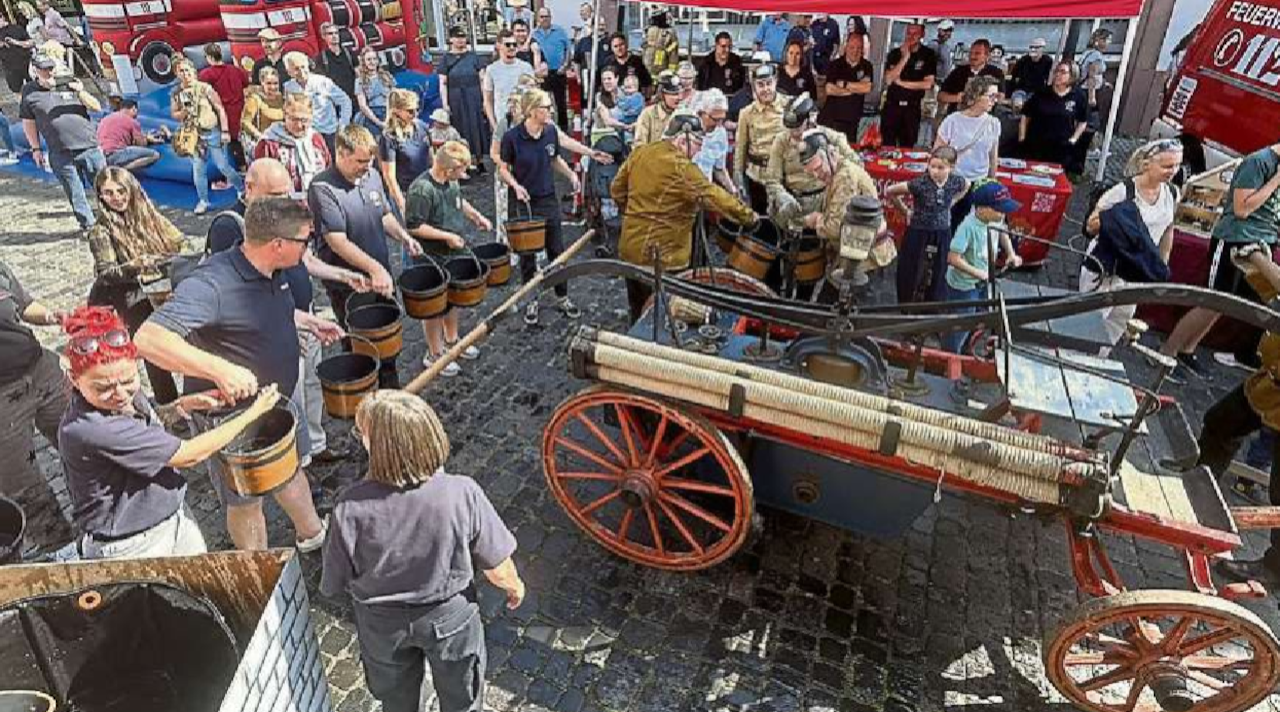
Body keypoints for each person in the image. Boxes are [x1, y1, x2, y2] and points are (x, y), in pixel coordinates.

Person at [134, 197, 339, 551]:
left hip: (276, 400)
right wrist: (220, 370)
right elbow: (148, 339)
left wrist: (306, 322)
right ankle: (258, 566)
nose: (308, 248)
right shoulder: (213, 284)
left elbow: (263, 311)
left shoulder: (273, 269)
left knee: (290, 469)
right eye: (304, 241)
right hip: (230, 417)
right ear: (278, 244)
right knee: (245, 499)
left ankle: (312, 534)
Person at [320, 390, 524, 712]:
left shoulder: (349, 506)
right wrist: (515, 587)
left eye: (363, 434)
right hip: (450, 617)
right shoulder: (462, 492)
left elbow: (333, 581)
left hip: (382, 625)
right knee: (462, 697)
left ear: (380, 447)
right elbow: (498, 568)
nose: (361, 440)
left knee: (396, 702)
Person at [58, 305, 278, 560]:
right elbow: (189, 454)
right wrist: (253, 413)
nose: (119, 394)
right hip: (131, 545)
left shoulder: (117, 398)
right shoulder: (90, 428)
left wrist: (182, 406)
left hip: (171, 517)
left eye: (128, 380)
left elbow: (145, 424)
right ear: (74, 379)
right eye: (103, 388)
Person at [208, 159, 369, 469]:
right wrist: (290, 321)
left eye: (286, 192)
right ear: (249, 188)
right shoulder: (230, 226)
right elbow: (242, 295)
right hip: (277, 327)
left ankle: (316, 445)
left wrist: (344, 275)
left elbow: (306, 259)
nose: (284, 200)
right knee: (291, 399)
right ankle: (298, 464)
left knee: (312, 385)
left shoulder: (283, 216)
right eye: (275, 194)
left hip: (304, 315)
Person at [613, 111, 756, 322]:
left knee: (638, 311)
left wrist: (635, 215)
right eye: (697, 145)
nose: (698, 152)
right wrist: (749, 217)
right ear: (682, 140)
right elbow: (715, 197)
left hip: (630, 249)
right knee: (663, 319)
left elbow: (617, 190)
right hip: (664, 258)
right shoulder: (682, 168)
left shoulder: (640, 153)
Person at [311, 125, 424, 387]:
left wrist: (404, 237)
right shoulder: (322, 188)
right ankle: (361, 398)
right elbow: (337, 241)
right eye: (361, 161)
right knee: (359, 347)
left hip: (380, 277)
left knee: (388, 341)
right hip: (349, 284)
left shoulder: (371, 176)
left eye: (370, 160)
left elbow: (383, 215)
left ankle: (390, 392)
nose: (367, 167)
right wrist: (375, 270)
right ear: (341, 153)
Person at [1158, 141, 1280, 379]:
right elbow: (1242, 209)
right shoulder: (1258, 163)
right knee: (1211, 301)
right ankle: (1167, 352)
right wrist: (1276, 181)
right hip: (1234, 240)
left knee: (1225, 304)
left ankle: (1187, 349)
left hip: (1262, 242)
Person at [85, 167, 187, 403]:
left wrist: (169, 251)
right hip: (120, 293)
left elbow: (178, 240)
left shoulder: (146, 213)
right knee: (149, 346)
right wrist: (136, 265)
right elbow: (106, 274)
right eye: (108, 193)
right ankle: (167, 402)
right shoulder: (100, 231)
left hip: (153, 286)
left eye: (121, 191)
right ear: (100, 196)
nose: (116, 198)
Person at [1079, 139, 1181, 348]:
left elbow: (1168, 230)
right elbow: (1090, 226)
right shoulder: (1122, 191)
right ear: (1147, 164)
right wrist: (1116, 219)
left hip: (1136, 269)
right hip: (1107, 268)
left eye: (1177, 165)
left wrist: (1160, 267)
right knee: (1090, 321)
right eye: (1166, 166)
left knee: (1118, 322)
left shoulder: (1172, 193)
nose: (1172, 171)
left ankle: (1100, 360)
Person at [0, 259, 72, 551]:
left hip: (42, 371)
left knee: (86, 444)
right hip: (3, 403)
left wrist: (51, 315)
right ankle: (60, 549)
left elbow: (25, 305)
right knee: (24, 487)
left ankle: (103, 518)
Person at [404, 141, 491, 376]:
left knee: (452, 299)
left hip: (452, 253)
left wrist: (476, 216)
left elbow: (458, 200)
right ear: (447, 169)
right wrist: (446, 236)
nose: (464, 175)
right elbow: (414, 226)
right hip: (432, 257)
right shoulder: (421, 190)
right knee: (433, 307)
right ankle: (434, 353)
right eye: (461, 170)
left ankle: (452, 341)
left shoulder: (450, 181)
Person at [499, 88, 580, 325]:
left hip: (547, 198)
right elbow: (503, 169)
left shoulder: (550, 132)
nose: (551, 111)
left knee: (557, 250)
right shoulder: (512, 137)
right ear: (533, 110)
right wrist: (516, 186)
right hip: (524, 202)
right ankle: (531, 299)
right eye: (546, 107)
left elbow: (554, 159)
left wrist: (570, 175)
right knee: (528, 255)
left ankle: (562, 296)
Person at [21, 51, 104, 231]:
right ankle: (89, 226)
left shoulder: (68, 83)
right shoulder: (29, 92)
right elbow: (28, 122)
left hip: (88, 145)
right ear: (35, 71)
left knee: (104, 186)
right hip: (60, 151)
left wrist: (80, 91)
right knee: (75, 192)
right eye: (44, 69)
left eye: (51, 68)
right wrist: (35, 148)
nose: (49, 72)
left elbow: (96, 107)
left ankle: (114, 218)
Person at [942, 181, 1022, 353]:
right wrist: (978, 273)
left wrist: (1011, 253)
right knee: (960, 324)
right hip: (964, 286)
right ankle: (948, 356)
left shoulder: (996, 220)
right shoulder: (967, 227)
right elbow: (953, 258)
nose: (1003, 214)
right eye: (999, 210)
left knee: (979, 319)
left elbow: (1002, 231)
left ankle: (966, 350)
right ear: (982, 209)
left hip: (982, 281)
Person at [885, 145, 968, 303]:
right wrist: (906, 211)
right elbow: (891, 191)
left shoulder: (955, 181)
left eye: (941, 168)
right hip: (919, 229)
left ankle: (934, 303)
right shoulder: (920, 183)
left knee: (940, 269)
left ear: (951, 168)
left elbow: (967, 185)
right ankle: (905, 302)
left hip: (942, 230)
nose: (935, 171)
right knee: (910, 268)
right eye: (932, 166)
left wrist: (952, 202)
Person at [765, 93, 859, 224]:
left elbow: (856, 166)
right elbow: (772, 179)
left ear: (811, 120)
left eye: (798, 127)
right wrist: (782, 196)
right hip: (794, 203)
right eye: (790, 128)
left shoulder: (831, 138)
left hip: (824, 203)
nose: (793, 133)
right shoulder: (781, 141)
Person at [171, 57, 244, 215]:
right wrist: (183, 112)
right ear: (177, 74)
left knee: (222, 165)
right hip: (195, 135)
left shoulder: (205, 88)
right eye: (181, 71)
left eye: (187, 70)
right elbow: (174, 113)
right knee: (198, 169)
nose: (185, 74)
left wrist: (225, 130)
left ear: (193, 71)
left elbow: (219, 109)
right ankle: (203, 200)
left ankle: (241, 188)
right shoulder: (177, 93)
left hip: (212, 132)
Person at [937, 76, 1002, 232]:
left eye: (996, 96)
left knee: (971, 227)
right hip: (954, 181)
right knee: (950, 224)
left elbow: (993, 156)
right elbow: (938, 153)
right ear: (976, 95)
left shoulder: (994, 123)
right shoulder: (952, 121)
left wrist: (992, 183)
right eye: (991, 96)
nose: (994, 100)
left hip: (978, 182)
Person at [438, 26, 492, 175]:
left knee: (476, 128)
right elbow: (443, 83)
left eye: (463, 37)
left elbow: (483, 79)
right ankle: (462, 164)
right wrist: (445, 104)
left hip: (473, 96)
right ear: (451, 39)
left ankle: (479, 161)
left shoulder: (474, 57)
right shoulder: (446, 59)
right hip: (456, 98)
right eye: (457, 37)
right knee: (460, 129)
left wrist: (485, 100)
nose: (461, 40)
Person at [254, 92, 331, 195]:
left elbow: (328, 168)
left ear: (311, 117)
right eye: (294, 119)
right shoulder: (269, 143)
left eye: (304, 120)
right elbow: (261, 180)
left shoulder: (316, 139)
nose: (299, 125)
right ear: (285, 115)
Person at [734, 64, 787, 213]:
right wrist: (738, 179)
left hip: (783, 175)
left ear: (775, 82)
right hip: (757, 177)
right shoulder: (746, 113)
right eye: (760, 85)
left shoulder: (788, 107)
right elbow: (740, 148)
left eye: (769, 83)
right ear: (754, 87)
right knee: (760, 220)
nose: (765, 89)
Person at [1018, 61, 1088, 170]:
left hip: (1061, 147)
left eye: (1063, 72)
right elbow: (1025, 115)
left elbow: (1083, 121)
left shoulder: (1078, 96)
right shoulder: (1041, 93)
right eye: (1056, 71)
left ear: (1072, 76)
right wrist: (1022, 138)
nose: (1058, 74)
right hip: (1037, 145)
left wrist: (1073, 139)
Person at [881, 22, 938, 149]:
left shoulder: (928, 55)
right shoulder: (895, 53)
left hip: (912, 107)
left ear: (922, 35)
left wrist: (902, 83)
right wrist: (905, 57)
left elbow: (928, 84)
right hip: (892, 106)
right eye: (908, 33)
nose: (911, 37)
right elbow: (889, 80)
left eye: (915, 34)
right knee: (887, 146)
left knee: (907, 147)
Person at [284, 50, 352, 156]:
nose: (301, 72)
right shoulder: (288, 87)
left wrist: (343, 125)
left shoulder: (322, 82)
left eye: (303, 67)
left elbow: (345, 101)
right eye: (296, 69)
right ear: (289, 72)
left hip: (329, 134)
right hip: (307, 135)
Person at [380, 89, 432, 222]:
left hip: (426, 188)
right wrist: (401, 203)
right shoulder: (389, 137)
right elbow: (389, 176)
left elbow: (431, 158)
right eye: (410, 111)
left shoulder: (423, 128)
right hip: (406, 191)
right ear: (397, 111)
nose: (414, 114)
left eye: (416, 110)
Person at [199, 43, 250, 168]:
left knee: (230, 146)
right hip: (242, 111)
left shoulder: (206, 75)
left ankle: (238, 168)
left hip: (223, 115)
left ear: (209, 57)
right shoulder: (236, 70)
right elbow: (246, 83)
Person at [818, 32, 873, 146]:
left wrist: (845, 84)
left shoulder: (867, 66)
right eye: (852, 47)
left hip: (851, 122)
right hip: (831, 120)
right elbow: (829, 89)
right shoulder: (835, 64)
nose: (855, 51)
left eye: (859, 48)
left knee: (847, 154)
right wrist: (855, 89)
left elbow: (867, 88)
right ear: (846, 46)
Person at [483, 29, 535, 133]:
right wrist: (494, 125)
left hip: (525, 124)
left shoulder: (526, 67)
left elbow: (533, 96)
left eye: (514, 44)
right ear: (499, 46)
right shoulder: (491, 69)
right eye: (508, 44)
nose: (512, 47)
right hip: (502, 124)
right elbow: (488, 100)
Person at [937, 40, 1004, 118]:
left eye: (977, 53)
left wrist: (982, 98)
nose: (972, 56)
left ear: (987, 56)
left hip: (984, 118)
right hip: (958, 116)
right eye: (970, 53)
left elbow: (1000, 97)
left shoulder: (996, 73)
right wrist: (958, 98)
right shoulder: (957, 72)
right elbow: (940, 96)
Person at [97, 99, 164, 173]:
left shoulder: (105, 119)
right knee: (155, 155)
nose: (137, 115)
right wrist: (148, 140)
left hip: (100, 156)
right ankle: (121, 171)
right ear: (134, 109)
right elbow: (141, 144)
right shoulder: (131, 121)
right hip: (115, 154)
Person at [533, 7, 572, 131]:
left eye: (547, 16)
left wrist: (565, 65)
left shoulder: (560, 31)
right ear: (537, 18)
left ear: (551, 17)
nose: (544, 19)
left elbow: (568, 50)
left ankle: (564, 130)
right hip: (542, 74)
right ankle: (546, 129)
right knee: (543, 103)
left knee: (561, 103)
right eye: (542, 17)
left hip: (558, 71)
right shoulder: (534, 34)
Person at [692, 89, 736, 194]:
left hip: (704, 192)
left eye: (722, 119)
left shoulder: (720, 133)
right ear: (701, 113)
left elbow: (719, 169)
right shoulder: (685, 126)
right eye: (715, 119)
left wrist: (733, 191)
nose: (719, 124)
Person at [240, 66, 286, 155]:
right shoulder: (255, 99)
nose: (273, 87)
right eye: (269, 83)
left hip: (281, 142)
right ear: (262, 83)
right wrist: (260, 137)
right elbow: (245, 122)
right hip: (264, 144)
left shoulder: (281, 98)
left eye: (275, 83)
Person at [353, 46, 393, 136]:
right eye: (369, 59)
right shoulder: (360, 81)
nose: (372, 62)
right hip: (372, 115)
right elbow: (363, 106)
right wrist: (379, 123)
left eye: (374, 59)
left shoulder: (387, 76)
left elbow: (395, 97)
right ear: (364, 62)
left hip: (389, 112)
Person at [635, 71, 681, 146]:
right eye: (673, 94)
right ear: (661, 95)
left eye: (679, 94)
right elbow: (639, 145)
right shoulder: (648, 114)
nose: (678, 98)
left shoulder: (683, 113)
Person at [314, 22, 358, 101]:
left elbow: (358, 74)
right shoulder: (321, 58)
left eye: (336, 33)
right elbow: (320, 84)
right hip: (336, 101)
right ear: (324, 36)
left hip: (354, 98)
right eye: (330, 34)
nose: (334, 36)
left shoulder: (349, 53)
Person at [0, 13, 35, 94]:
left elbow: (31, 43)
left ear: (2, 18)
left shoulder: (17, 28)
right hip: (10, 68)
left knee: (33, 87)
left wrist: (16, 42)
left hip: (26, 64)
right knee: (17, 91)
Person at [809, 14, 841, 96]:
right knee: (814, 84)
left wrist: (832, 57)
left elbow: (836, 43)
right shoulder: (814, 24)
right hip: (815, 58)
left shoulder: (833, 24)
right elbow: (810, 42)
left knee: (826, 84)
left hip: (827, 59)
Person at [641, 11, 679, 79]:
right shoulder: (648, 30)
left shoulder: (648, 30)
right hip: (651, 65)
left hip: (655, 65)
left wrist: (671, 71)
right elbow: (673, 53)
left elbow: (673, 53)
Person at [611, 74, 644, 139]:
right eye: (625, 88)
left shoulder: (637, 96)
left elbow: (626, 105)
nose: (627, 90)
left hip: (633, 118)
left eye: (629, 88)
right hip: (625, 120)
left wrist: (618, 102)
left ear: (636, 88)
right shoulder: (626, 96)